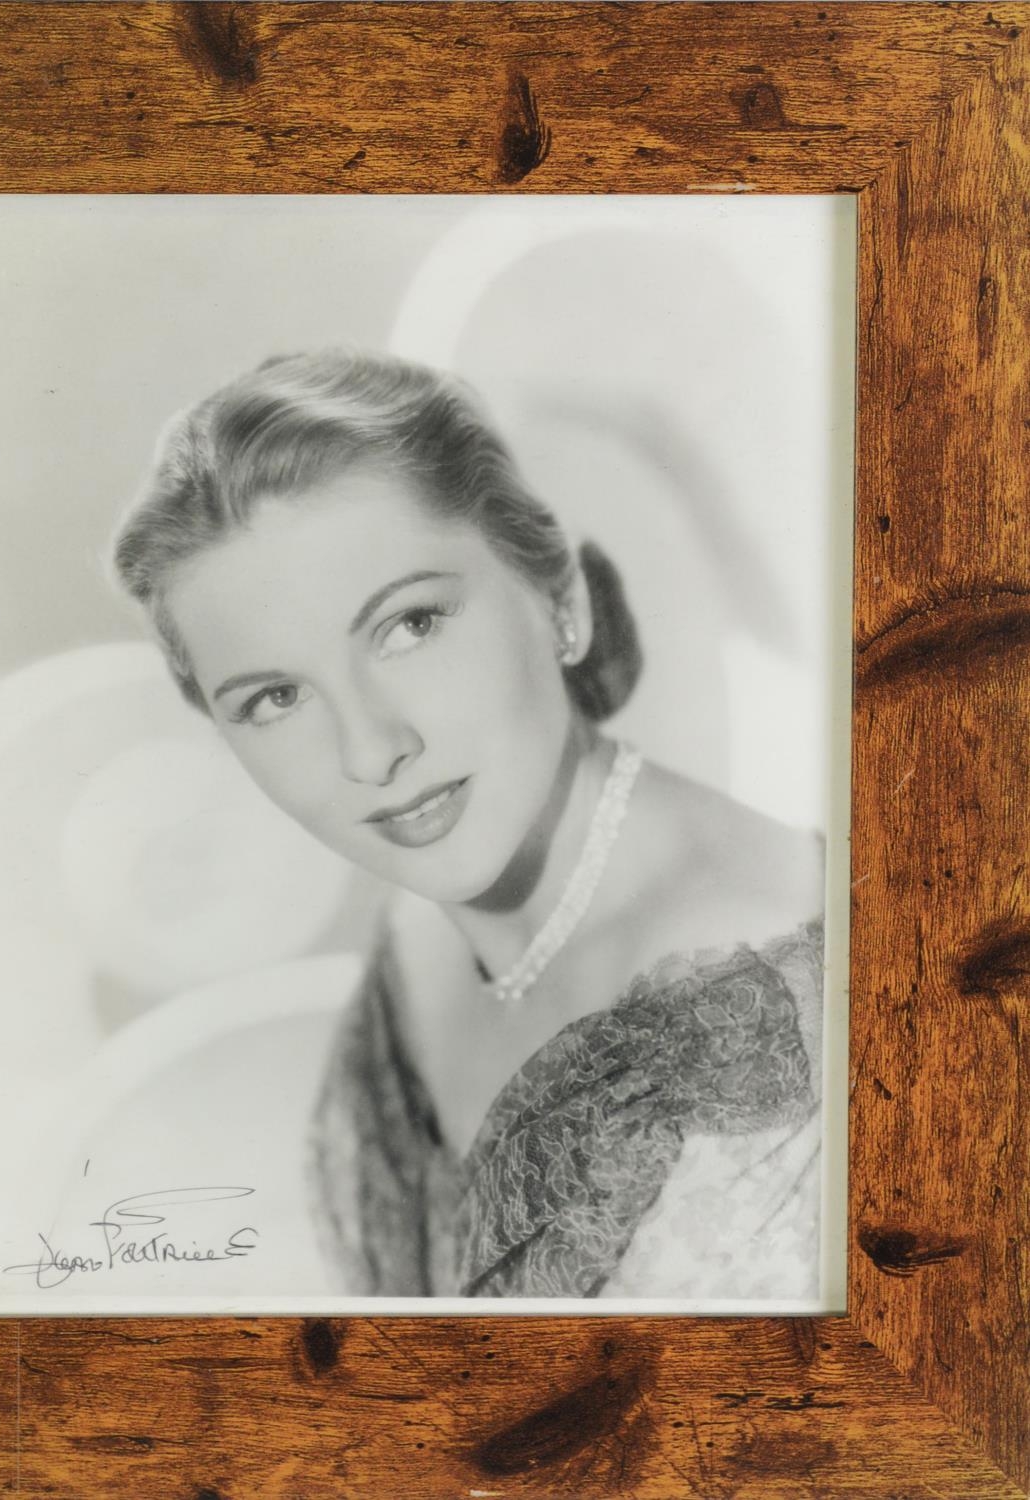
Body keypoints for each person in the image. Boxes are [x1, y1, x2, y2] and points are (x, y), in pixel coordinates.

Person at [108, 348, 826, 1300]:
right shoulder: (413, 950)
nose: (371, 751)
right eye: (276, 696)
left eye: (410, 625)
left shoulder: (787, 995)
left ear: (559, 602)